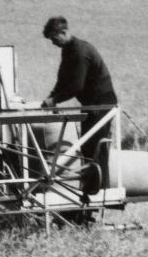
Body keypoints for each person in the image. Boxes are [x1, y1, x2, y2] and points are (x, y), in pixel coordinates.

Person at [41, 17, 117, 166]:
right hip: (90, 104)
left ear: (64, 32)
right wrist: (51, 96)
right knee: (87, 148)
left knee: (97, 149)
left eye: (54, 38)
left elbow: (76, 86)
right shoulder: (67, 50)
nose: (53, 43)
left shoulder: (80, 51)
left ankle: (100, 188)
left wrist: (55, 100)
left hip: (101, 104)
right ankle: (90, 187)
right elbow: (62, 79)